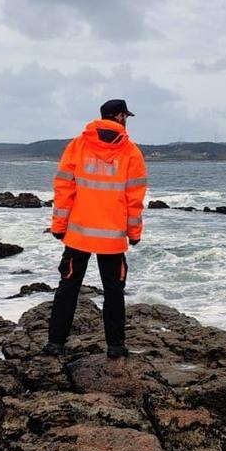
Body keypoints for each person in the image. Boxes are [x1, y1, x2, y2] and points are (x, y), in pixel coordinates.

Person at [42, 99, 147, 358]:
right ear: (120, 116)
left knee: (68, 287)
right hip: (111, 238)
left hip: (78, 234)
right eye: (126, 116)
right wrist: (134, 233)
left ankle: (55, 344)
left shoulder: (77, 145)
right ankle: (115, 347)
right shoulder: (131, 152)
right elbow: (135, 199)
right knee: (113, 290)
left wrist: (58, 226)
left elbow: (64, 189)